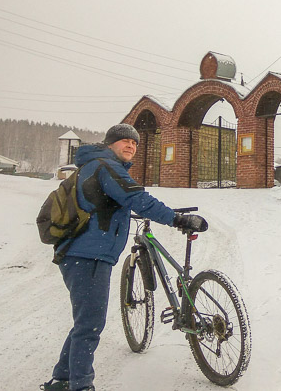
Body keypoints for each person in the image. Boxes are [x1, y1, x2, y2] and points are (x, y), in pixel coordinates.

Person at [41, 124, 208, 391]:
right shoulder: (106, 167)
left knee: (85, 321)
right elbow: (138, 198)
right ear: (109, 144)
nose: (130, 146)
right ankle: (81, 386)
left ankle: (62, 379)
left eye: (135, 143)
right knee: (90, 324)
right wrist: (177, 219)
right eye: (124, 141)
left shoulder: (93, 166)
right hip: (89, 256)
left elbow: (106, 204)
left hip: (80, 254)